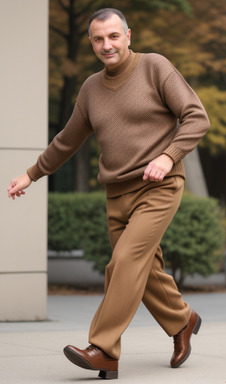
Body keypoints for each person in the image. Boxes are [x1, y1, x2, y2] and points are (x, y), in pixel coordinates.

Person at [8, 8, 209, 380]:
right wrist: (32, 174)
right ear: (91, 43)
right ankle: (183, 320)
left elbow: (197, 117)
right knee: (144, 270)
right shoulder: (90, 89)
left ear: (128, 36)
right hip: (117, 193)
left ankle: (103, 350)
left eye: (114, 36)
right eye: (99, 39)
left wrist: (168, 157)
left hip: (159, 186)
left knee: (124, 263)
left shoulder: (155, 67)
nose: (107, 45)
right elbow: (67, 140)